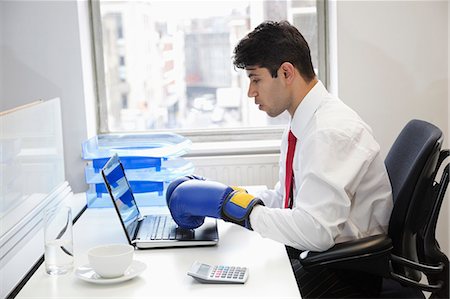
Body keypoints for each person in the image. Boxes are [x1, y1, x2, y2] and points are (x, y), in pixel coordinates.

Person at [166, 21, 393, 298]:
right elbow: (288, 198)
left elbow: (317, 231)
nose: (251, 92)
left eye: (255, 79)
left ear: (286, 72)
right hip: (321, 257)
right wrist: (226, 195)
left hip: (344, 274)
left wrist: (239, 210)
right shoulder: (304, 122)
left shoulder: (329, 131)